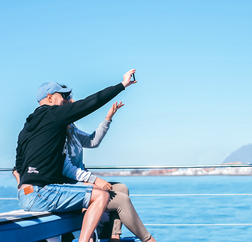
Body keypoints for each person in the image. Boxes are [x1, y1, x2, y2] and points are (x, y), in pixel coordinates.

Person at [14, 70, 136, 242]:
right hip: (42, 193)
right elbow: (89, 103)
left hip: (25, 195)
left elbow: (18, 165)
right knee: (101, 195)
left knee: (96, 194)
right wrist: (122, 85)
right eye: (61, 95)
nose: (65, 100)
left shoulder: (26, 128)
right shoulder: (54, 114)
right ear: (50, 98)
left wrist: (23, 185)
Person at [61, 93, 154, 242]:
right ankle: (148, 240)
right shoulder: (58, 133)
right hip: (72, 186)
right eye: (68, 98)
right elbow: (66, 169)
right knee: (121, 199)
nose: (73, 101)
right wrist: (92, 180)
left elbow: (93, 141)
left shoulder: (72, 129)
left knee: (122, 188)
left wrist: (108, 118)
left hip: (83, 182)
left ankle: (114, 236)